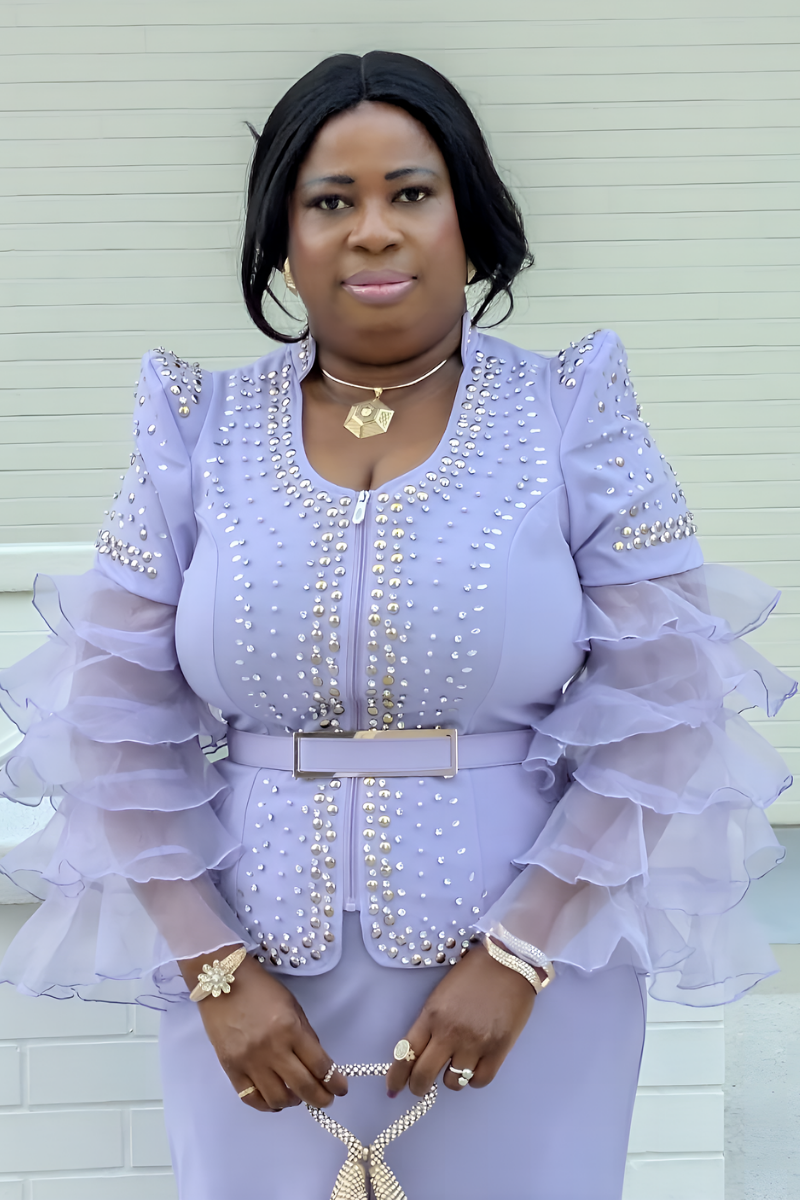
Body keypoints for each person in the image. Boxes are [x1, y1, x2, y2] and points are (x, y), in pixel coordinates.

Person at [0, 51, 794, 1200]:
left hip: (527, 983)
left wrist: (520, 952)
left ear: (470, 223)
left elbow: (662, 714)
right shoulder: (195, 427)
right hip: (251, 994)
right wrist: (215, 971)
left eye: (410, 194)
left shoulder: (570, 412)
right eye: (331, 202)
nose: (372, 231)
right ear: (282, 239)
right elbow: (114, 727)